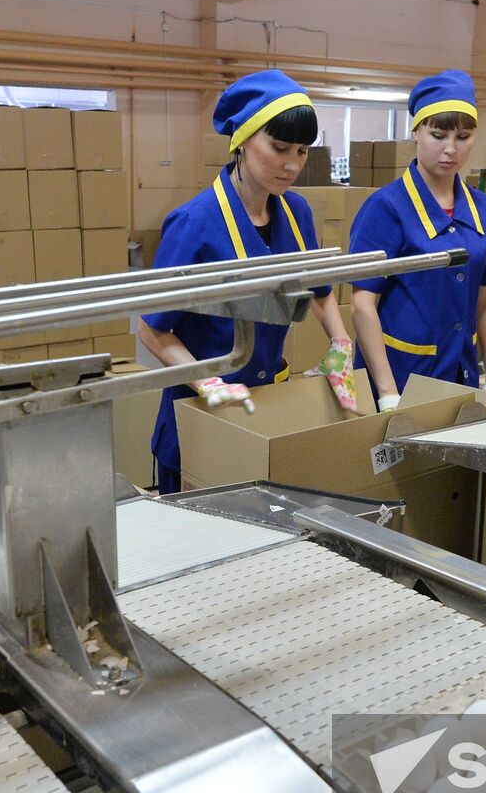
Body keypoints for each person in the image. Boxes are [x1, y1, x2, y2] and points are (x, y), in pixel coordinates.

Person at [138, 69, 355, 495]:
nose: (292, 165)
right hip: (202, 413)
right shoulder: (193, 224)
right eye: (278, 148)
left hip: (267, 407)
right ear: (241, 140)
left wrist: (340, 343)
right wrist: (207, 382)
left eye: (301, 151)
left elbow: (321, 291)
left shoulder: (297, 214)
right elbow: (151, 327)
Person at [349, 70, 486, 409]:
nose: (451, 150)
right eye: (438, 135)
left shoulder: (484, 210)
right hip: (402, 375)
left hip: (460, 373)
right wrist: (388, 393)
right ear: (416, 132)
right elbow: (363, 305)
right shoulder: (385, 208)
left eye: (463, 137)